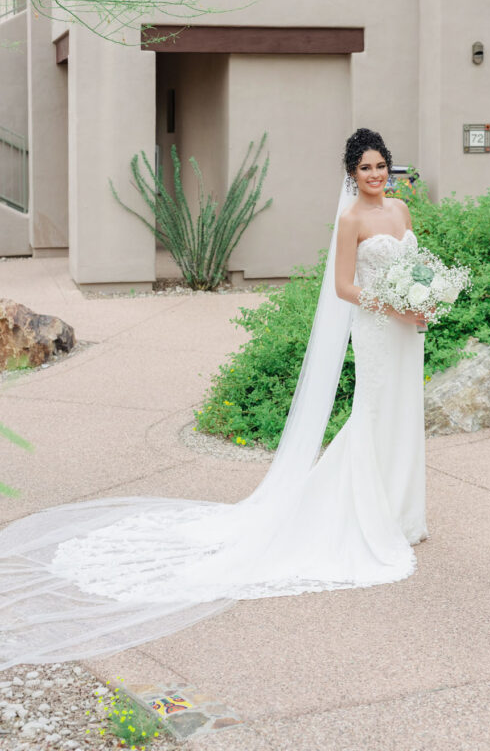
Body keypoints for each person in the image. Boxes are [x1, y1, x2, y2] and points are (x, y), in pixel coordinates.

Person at [0, 128, 427, 669]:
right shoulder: (352, 222)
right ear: (351, 174)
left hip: (408, 328)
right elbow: (344, 285)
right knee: (372, 412)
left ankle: (403, 510)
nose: (375, 175)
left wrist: (422, 300)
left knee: (402, 414)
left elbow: (415, 267)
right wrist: (392, 305)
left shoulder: (403, 211)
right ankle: (368, 514)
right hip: (376, 326)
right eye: (365, 167)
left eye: (381, 165)